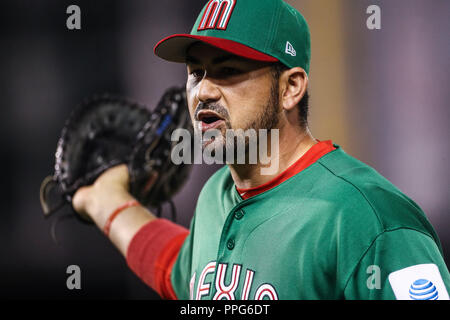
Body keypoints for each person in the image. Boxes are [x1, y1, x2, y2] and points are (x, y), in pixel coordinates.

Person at [72, 0, 450, 300]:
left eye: (228, 70)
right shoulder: (216, 197)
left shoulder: (369, 218)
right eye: (195, 72)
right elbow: (181, 272)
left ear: (291, 88)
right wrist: (105, 203)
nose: (203, 91)